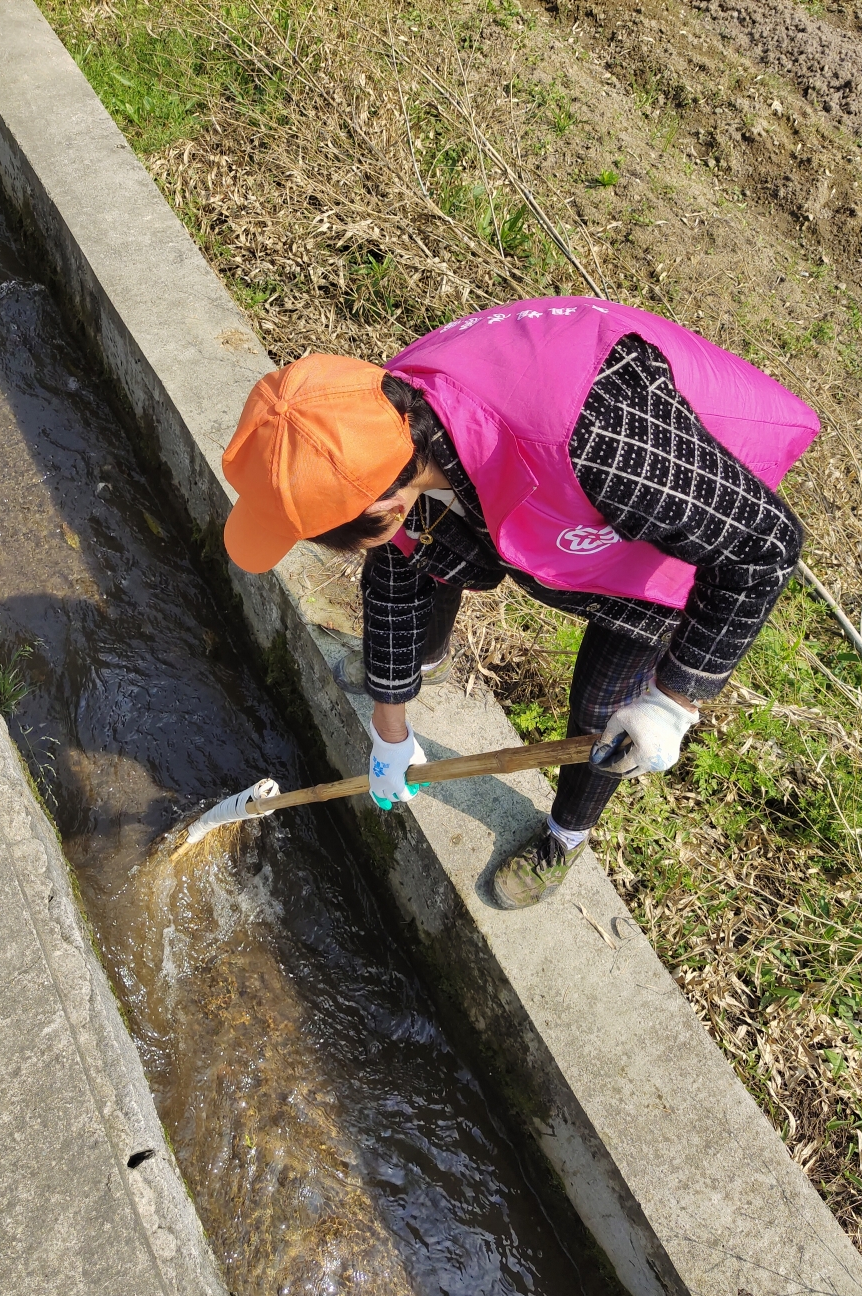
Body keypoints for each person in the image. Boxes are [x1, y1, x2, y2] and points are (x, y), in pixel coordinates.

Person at [221, 297, 817, 909]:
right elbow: (399, 567)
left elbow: (766, 545)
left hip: (684, 489)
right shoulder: (376, 421)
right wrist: (389, 728)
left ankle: (567, 835)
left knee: (605, 709)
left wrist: (674, 700)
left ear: (382, 504)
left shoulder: (599, 441)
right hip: (559, 461)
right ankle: (428, 664)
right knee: (427, 547)